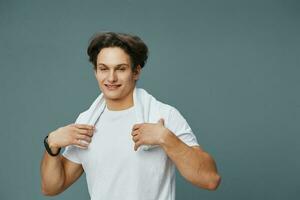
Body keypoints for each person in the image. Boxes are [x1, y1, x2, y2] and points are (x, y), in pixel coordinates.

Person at [40, 32, 221, 200]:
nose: (111, 78)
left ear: (136, 71)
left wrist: (165, 138)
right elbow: (52, 187)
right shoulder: (87, 122)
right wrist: (52, 144)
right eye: (104, 69)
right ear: (95, 72)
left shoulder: (163, 115)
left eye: (120, 69)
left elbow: (210, 179)